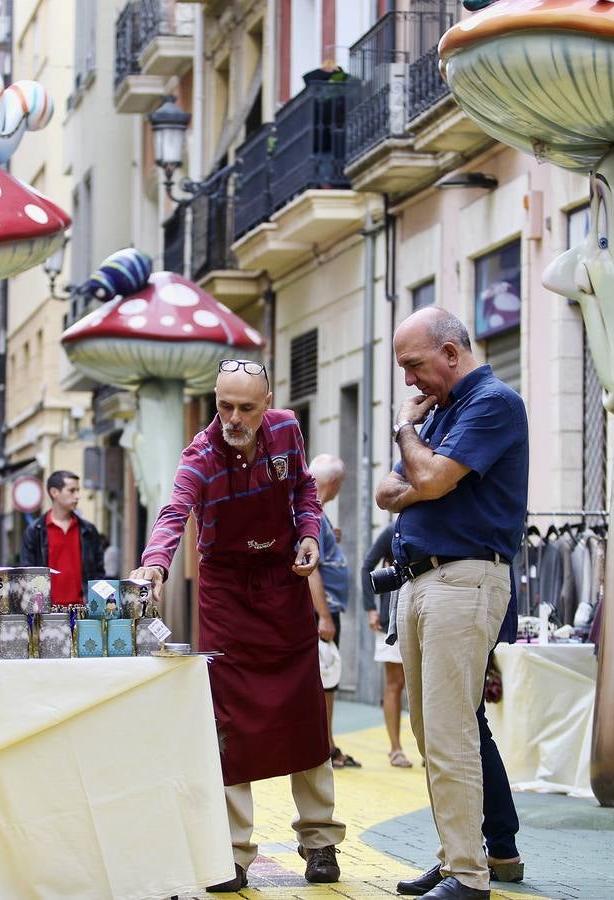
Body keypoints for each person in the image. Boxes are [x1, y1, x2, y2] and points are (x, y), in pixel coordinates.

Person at [129, 359, 345, 891]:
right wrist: (154, 565)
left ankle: (319, 841)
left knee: (305, 712)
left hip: (281, 581)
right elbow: (174, 513)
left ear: (266, 404)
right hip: (224, 589)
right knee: (227, 720)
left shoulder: (288, 430)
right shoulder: (200, 456)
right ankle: (233, 852)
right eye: (224, 405)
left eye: (246, 407)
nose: (233, 417)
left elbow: (304, 492)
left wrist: (310, 535)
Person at [376, 308, 528, 900]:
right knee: (429, 729)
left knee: (451, 731)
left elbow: (431, 482)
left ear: (450, 352)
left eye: (414, 365)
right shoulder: (440, 413)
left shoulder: (493, 402)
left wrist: (408, 439)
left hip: (463, 580)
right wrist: (426, 469)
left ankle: (469, 873)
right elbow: (391, 493)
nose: (410, 381)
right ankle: (457, 857)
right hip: (421, 581)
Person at [308, 453, 359, 768]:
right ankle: (324, 747)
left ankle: (327, 744)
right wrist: (324, 616)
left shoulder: (317, 513)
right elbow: (310, 567)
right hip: (321, 609)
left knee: (326, 678)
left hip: (324, 606)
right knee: (325, 678)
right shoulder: (312, 510)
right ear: (335, 483)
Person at [361, 522, 411, 768]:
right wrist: (370, 608)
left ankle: (428, 750)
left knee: (423, 685)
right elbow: (367, 566)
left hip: (420, 614)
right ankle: (395, 749)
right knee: (395, 684)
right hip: (389, 618)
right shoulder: (393, 530)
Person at [19, 470, 106, 605]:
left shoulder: (88, 530)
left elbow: (99, 573)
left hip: (82, 612)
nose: (77, 496)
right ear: (54, 492)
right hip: (46, 613)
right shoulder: (35, 531)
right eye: (72, 490)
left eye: (78, 490)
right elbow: (27, 573)